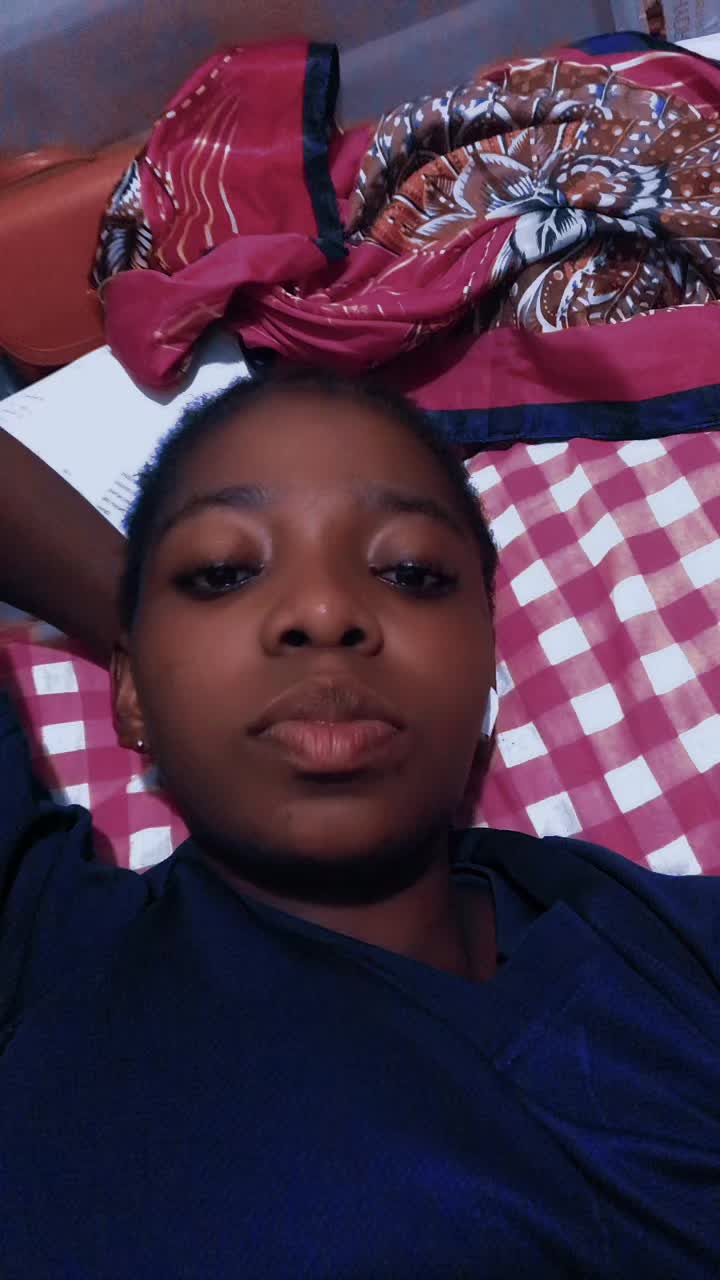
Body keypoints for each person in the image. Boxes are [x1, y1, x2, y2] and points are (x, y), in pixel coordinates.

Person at [0, 369, 718, 1279]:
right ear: (130, 689)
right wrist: (158, 647)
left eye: (409, 573)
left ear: (485, 663)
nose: (325, 611)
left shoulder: (667, 952)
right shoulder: (48, 955)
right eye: (222, 572)